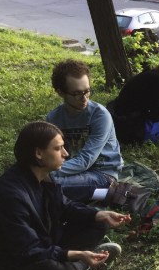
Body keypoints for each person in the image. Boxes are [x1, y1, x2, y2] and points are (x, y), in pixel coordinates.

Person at [0, 122, 131, 270]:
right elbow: (27, 251)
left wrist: (98, 214)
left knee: (98, 222)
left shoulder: (43, 176)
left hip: (44, 242)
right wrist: (77, 254)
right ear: (38, 153)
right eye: (58, 148)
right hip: (15, 264)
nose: (66, 153)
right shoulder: (10, 196)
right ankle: (79, 266)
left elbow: (64, 207)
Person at [46, 59, 123, 202]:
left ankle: (109, 193)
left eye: (87, 91)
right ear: (60, 92)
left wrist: (47, 173)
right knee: (41, 183)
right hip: (69, 171)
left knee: (48, 185)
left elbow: (86, 160)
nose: (84, 98)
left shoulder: (100, 115)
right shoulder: (53, 118)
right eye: (76, 93)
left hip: (102, 173)